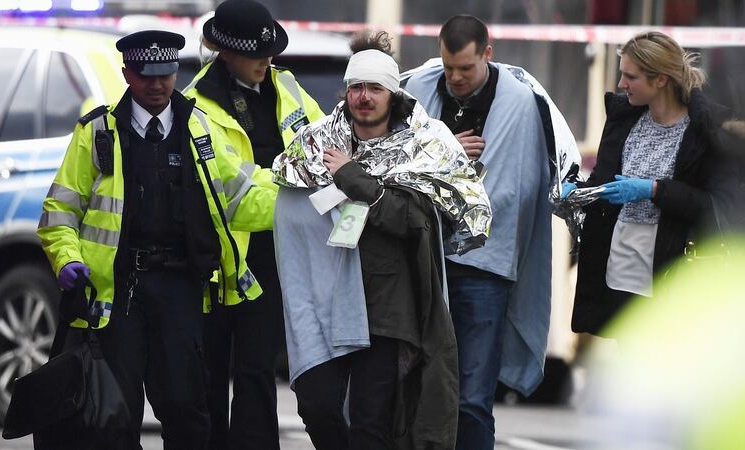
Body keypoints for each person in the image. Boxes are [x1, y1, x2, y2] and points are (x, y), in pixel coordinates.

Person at [37, 30, 276, 449]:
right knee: (115, 415)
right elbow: (60, 212)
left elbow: (241, 196)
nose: (157, 84)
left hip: (181, 290)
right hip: (117, 293)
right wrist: (66, 259)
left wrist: (300, 202)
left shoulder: (198, 129)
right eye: (146, 75)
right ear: (127, 73)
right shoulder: (97, 133)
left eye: (165, 74)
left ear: (176, 72)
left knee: (188, 410)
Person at [272, 30, 491, 450]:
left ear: (393, 94)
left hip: (387, 310)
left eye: (375, 88)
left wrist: (353, 179)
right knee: (317, 407)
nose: (364, 97)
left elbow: (413, 221)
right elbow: (291, 214)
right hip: (326, 303)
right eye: (356, 87)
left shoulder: (422, 146)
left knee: (373, 425)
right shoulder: (318, 144)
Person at [404, 14, 559, 450]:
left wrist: (447, 173)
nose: (455, 78)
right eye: (449, 67)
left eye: (466, 69)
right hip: (422, 259)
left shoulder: (518, 103)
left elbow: (519, 188)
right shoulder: (417, 91)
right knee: (414, 389)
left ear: (488, 55)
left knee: (471, 398)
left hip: (483, 267)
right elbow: (392, 165)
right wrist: (445, 153)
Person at [182, 1, 325, 448]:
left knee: (257, 372)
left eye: (271, 52)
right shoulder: (195, 108)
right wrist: (293, 184)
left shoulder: (289, 88)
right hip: (218, 259)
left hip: (273, 258)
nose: (267, 61)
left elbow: (327, 146)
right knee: (209, 378)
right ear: (226, 52)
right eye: (256, 54)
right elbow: (230, 195)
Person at [565, 31, 730, 336]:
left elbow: (718, 207)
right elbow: (606, 184)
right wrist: (579, 193)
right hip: (618, 270)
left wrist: (655, 190)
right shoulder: (623, 121)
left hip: (672, 276)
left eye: (631, 76)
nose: (621, 84)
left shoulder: (704, 132)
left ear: (660, 80)